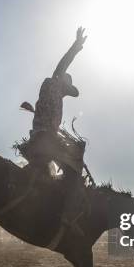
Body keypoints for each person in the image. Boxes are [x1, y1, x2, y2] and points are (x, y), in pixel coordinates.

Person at [23, 27, 88, 232]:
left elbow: (74, 93)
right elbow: (63, 65)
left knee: (50, 173)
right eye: (66, 87)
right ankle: (68, 217)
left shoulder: (51, 93)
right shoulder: (53, 83)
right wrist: (76, 47)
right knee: (75, 168)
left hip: (39, 138)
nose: (68, 91)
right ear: (61, 81)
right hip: (46, 140)